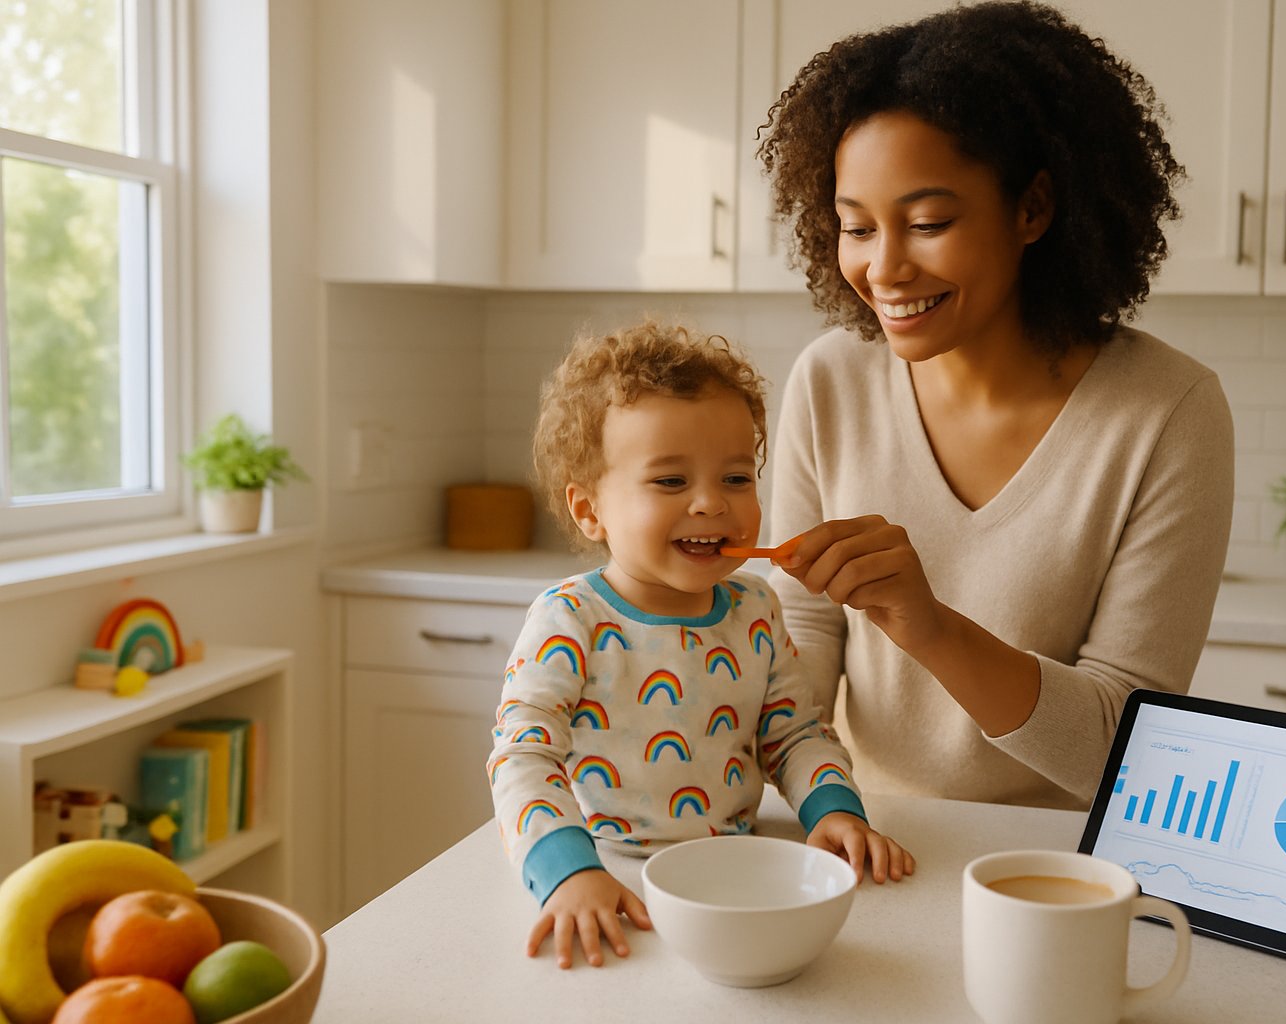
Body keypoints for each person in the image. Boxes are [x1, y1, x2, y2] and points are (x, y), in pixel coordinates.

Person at [756, 1, 1235, 810]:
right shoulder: (830, 380)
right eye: (856, 227)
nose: (884, 269)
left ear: (1033, 209)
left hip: (1063, 875)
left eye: (929, 222)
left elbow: (1126, 744)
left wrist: (928, 625)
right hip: (872, 838)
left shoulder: (1166, 412)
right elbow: (804, 634)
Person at [487, 320, 914, 971]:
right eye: (669, 482)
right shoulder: (569, 618)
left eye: (737, 479)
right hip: (611, 877)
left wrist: (832, 811)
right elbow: (522, 756)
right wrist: (569, 873)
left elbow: (794, 733)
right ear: (589, 510)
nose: (712, 504)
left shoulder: (755, 606)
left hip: (731, 881)